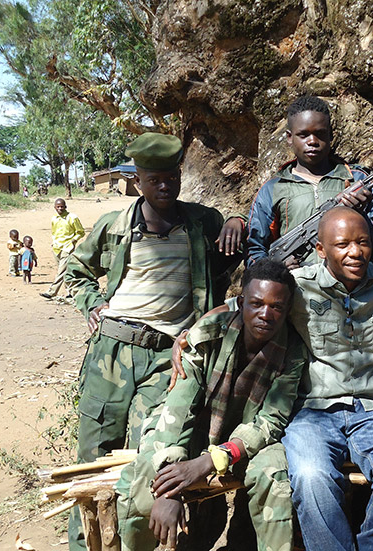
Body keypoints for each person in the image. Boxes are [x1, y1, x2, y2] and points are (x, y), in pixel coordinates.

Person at [63, 132, 245, 551]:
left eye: (173, 177)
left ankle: (135, 542)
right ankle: (82, 543)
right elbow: (75, 268)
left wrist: (235, 216)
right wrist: (92, 302)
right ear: (138, 181)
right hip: (113, 351)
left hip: (169, 358)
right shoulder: (114, 226)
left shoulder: (201, 223)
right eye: (155, 179)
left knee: (153, 457)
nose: (166, 186)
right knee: (92, 457)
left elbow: (236, 229)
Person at [116, 259, 306, 551]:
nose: (265, 314)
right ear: (241, 302)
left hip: (243, 444)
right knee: (142, 479)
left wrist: (212, 460)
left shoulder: (292, 351)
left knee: (274, 471)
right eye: (256, 303)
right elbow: (180, 408)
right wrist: (169, 488)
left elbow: (271, 420)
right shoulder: (209, 333)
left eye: (277, 307)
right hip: (191, 433)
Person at [282, 206, 373, 551]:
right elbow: (247, 304)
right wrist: (190, 337)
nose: (355, 252)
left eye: (362, 242)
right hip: (314, 410)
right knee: (310, 478)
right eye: (342, 244)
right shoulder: (299, 288)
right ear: (321, 250)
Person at [247, 95, 373, 267]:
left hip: (351, 289)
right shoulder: (273, 188)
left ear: (330, 135)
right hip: (295, 289)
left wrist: (361, 215)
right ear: (290, 138)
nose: (312, 141)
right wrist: (277, 270)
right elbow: (254, 250)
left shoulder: (356, 179)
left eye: (320, 134)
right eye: (303, 135)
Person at [40, 198, 85, 299]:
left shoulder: (72, 218)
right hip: (56, 248)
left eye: (62, 206)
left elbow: (81, 232)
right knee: (66, 271)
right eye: (58, 207)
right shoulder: (54, 218)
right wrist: (53, 243)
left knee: (61, 271)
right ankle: (72, 292)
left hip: (67, 248)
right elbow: (54, 232)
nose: (60, 208)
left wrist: (73, 241)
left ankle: (52, 292)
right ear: (55, 207)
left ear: (65, 207)